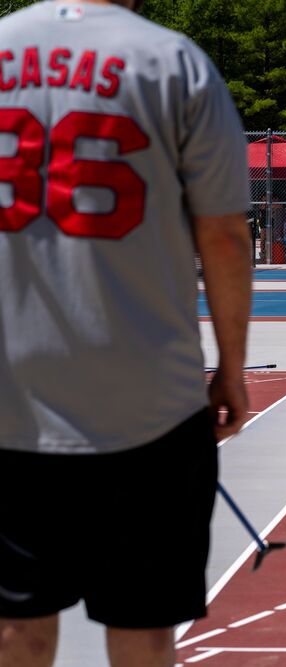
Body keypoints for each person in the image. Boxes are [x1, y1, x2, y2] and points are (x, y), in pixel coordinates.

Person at [0, 1, 252, 666]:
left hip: (10, 397)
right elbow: (224, 234)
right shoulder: (175, 63)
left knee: (14, 624)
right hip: (149, 400)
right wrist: (232, 366)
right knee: (142, 628)